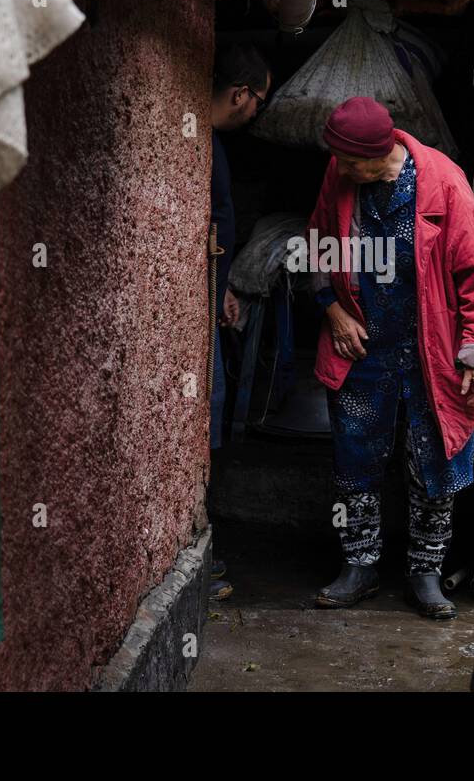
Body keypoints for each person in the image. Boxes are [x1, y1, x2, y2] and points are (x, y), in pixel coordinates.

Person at [306, 97, 474, 620]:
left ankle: (425, 573)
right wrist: (332, 311)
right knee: (355, 458)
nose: (341, 171)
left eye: (350, 163)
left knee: (432, 461)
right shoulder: (341, 172)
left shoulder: (443, 182)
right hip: (363, 348)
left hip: (429, 349)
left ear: (380, 153)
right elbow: (318, 245)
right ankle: (359, 566)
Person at [208, 42, 271, 600]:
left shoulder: (212, 150)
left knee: (213, 414)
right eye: (258, 101)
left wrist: (225, 283)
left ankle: (200, 546)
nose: (256, 114)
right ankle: (199, 552)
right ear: (238, 94)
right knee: (206, 417)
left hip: (208, 299)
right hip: (197, 309)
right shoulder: (203, 149)